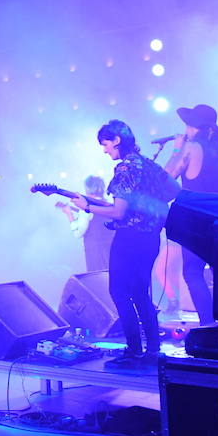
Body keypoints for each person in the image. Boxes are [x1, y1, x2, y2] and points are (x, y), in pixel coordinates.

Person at [72, 120, 173, 369]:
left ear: (116, 140)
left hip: (129, 239)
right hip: (151, 238)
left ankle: (133, 349)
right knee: (140, 293)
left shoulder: (126, 168)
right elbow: (174, 190)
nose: (105, 150)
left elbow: (118, 213)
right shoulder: (149, 165)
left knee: (119, 291)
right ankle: (152, 350)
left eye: (105, 144)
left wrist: (87, 206)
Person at [164, 104, 218, 326]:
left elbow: (166, 178)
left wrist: (177, 149)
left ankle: (208, 324)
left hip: (197, 220)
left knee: (193, 272)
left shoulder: (192, 147)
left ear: (193, 127)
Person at [58, 175, 114, 272]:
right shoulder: (108, 204)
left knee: (98, 283)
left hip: (96, 255)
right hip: (111, 252)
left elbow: (78, 233)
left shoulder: (86, 208)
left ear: (87, 189)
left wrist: (69, 214)